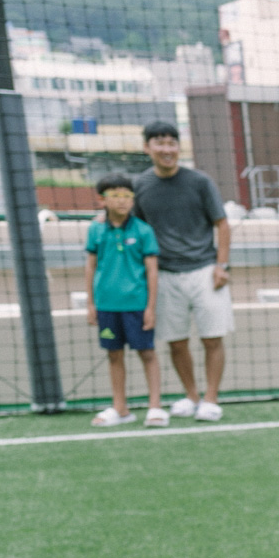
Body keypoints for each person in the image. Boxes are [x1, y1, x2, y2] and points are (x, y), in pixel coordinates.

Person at [133, 120, 231, 423]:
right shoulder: (140, 186)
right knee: (176, 342)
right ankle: (191, 396)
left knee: (212, 338)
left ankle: (211, 399)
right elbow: (135, 227)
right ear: (147, 148)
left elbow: (222, 224)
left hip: (205, 271)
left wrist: (221, 266)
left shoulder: (200, 182)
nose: (167, 149)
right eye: (159, 143)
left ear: (178, 147)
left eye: (172, 143)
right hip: (164, 275)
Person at [84, 174, 165, 429]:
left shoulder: (143, 230)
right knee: (114, 355)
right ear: (102, 200)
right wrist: (90, 303)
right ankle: (120, 408)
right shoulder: (95, 230)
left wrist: (151, 307)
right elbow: (90, 266)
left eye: (127, 195)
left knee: (147, 353)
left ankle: (155, 407)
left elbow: (152, 271)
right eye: (115, 195)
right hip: (107, 306)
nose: (122, 201)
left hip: (137, 305)